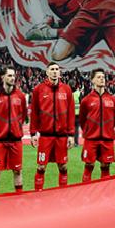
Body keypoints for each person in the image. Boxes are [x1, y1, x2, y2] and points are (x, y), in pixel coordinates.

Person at [30, 62, 75, 190]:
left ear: (59, 72)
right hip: (45, 136)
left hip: (61, 136)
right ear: (47, 72)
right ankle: (38, 193)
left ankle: (62, 193)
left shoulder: (66, 89)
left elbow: (71, 114)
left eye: (57, 69)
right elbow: (34, 113)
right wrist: (33, 133)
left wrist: (71, 135)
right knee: (41, 167)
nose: (55, 71)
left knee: (63, 166)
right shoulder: (39, 89)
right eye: (52, 69)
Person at [0, 66, 28, 195]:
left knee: (18, 171)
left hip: (16, 141)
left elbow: (23, 115)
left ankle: (19, 199)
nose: (12, 78)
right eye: (9, 75)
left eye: (13, 76)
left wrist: (16, 127)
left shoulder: (20, 96)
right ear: (2, 77)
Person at [79, 69, 115, 182]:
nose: (102, 79)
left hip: (107, 139)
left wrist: (108, 130)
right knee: (89, 165)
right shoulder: (86, 100)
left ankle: (104, 191)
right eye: (98, 77)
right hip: (91, 139)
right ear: (92, 80)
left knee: (106, 166)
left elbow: (114, 119)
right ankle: (86, 190)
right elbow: (82, 120)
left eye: (103, 77)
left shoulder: (112, 100)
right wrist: (89, 131)